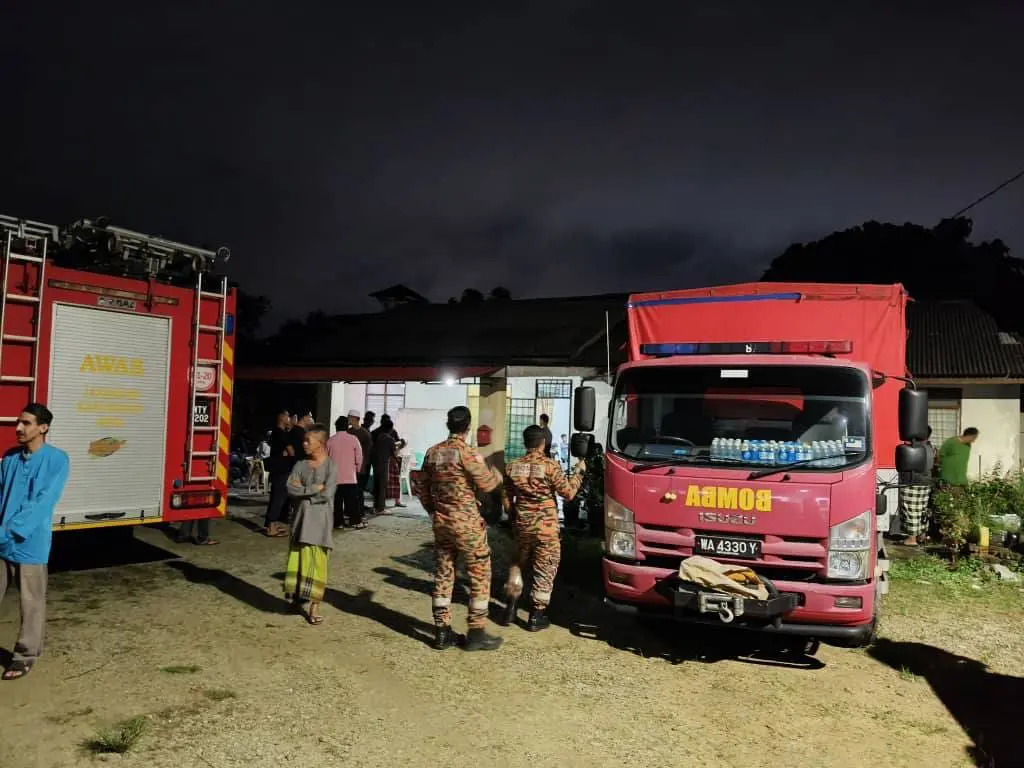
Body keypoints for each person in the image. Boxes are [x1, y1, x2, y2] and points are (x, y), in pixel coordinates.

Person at [416, 405, 504, 651]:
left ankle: (442, 631)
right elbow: (486, 485)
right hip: (467, 525)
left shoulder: (432, 453)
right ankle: (476, 633)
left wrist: (433, 510)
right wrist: (496, 475)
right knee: (479, 572)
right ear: (468, 427)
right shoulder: (468, 453)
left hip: (442, 523)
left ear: (448, 425)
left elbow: (421, 487)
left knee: (444, 572)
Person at [0, 403, 71, 681]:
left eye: (26, 423)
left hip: (30, 543)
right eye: (18, 422)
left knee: (31, 602)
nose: (18, 428)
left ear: (43, 428)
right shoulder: (10, 458)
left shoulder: (57, 460)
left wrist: (10, 531)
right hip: (2, 541)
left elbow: (43, 502)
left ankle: (25, 655)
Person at [499, 425, 586, 631]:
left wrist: (513, 516)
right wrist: (579, 473)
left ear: (525, 442)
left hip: (522, 526)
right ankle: (536, 616)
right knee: (544, 567)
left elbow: (505, 495)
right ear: (543, 443)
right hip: (546, 528)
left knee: (517, 564)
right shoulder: (550, 466)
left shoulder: (512, 466)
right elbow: (568, 493)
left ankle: (510, 608)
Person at [284, 424, 337, 626]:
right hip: (300, 520)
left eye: (308, 441)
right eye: (304, 440)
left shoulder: (331, 466)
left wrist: (304, 492)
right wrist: (314, 488)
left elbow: (328, 494)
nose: (304, 444)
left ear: (321, 443)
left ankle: (314, 606)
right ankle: (296, 598)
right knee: (297, 561)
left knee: (317, 564)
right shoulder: (299, 465)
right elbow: (290, 487)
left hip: (320, 524)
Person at [900, 425, 935, 547]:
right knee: (922, 510)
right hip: (925, 482)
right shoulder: (930, 447)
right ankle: (922, 535)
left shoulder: (916, 448)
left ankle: (911, 539)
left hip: (913, 482)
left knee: (911, 510)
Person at [327, 415, 364, 529]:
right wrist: (357, 469)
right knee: (352, 501)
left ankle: (338, 523)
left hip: (334, 477)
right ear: (347, 426)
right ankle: (356, 522)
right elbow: (359, 457)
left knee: (336, 502)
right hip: (349, 476)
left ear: (336, 427)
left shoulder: (330, 441)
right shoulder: (353, 439)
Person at [263, 410, 294, 537]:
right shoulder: (281, 433)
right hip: (281, 470)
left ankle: (271, 524)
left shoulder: (275, 433)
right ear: (282, 418)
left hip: (277, 469)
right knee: (278, 498)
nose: (289, 420)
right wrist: (289, 453)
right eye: (288, 417)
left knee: (275, 496)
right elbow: (291, 451)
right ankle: (271, 527)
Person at [372, 415, 397, 514]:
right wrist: (401, 445)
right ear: (390, 429)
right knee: (382, 486)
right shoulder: (390, 439)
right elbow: (394, 453)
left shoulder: (379, 437)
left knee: (377, 485)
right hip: (384, 464)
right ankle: (381, 509)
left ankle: (375, 506)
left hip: (376, 464)